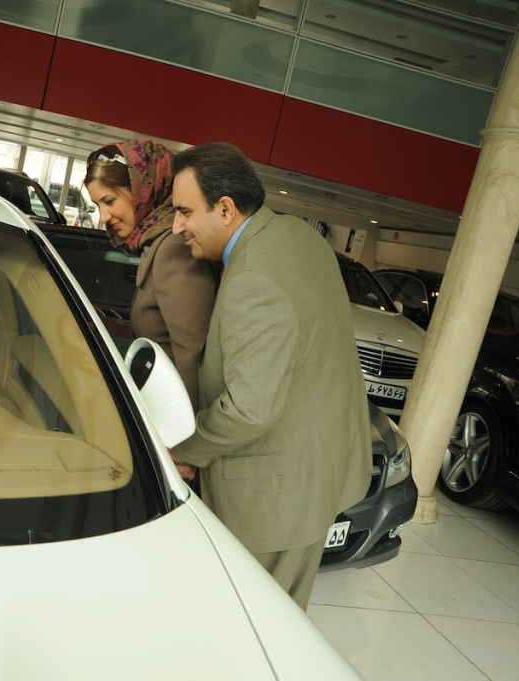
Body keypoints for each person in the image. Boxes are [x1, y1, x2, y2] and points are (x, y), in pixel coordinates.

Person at [168, 142, 371, 610]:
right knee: (284, 617)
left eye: (184, 212)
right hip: (318, 475)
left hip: (273, 499)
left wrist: (185, 450)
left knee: (254, 628)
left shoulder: (252, 279)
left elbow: (249, 408)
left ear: (225, 209)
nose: (176, 227)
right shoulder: (299, 236)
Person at [83, 139, 216, 410]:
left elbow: (193, 358)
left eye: (109, 201)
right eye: (98, 205)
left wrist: (183, 442)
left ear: (142, 190)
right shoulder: (153, 244)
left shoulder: (174, 248)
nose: (104, 216)